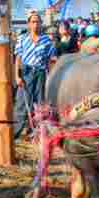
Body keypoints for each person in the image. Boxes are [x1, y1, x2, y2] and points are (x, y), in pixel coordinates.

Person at [14, 10, 57, 139]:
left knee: (39, 104)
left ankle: (37, 133)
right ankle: (16, 132)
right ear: (28, 24)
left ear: (41, 24)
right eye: (33, 22)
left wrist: (51, 76)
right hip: (26, 73)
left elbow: (51, 60)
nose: (36, 24)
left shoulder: (47, 40)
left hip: (40, 73)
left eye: (38, 22)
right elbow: (18, 59)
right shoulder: (22, 39)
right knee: (22, 102)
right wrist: (17, 76)